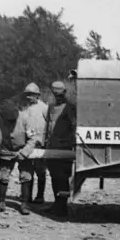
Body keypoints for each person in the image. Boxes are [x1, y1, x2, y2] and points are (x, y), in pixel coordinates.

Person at [0, 100, 39, 215]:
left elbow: (33, 139)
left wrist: (24, 153)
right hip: (6, 150)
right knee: (3, 176)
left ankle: (24, 204)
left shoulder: (26, 118)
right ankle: (1, 203)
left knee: (26, 177)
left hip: (23, 151)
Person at [44, 81, 76, 217]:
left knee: (62, 178)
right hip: (51, 147)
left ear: (64, 94)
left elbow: (74, 127)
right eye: (56, 95)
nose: (58, 97)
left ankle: (62, 207)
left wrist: (72, 143)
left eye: (60, 95)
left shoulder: (70, 108)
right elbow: (48, 126)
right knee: (54, 177)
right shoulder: (51, 107)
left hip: (64, 148)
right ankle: (57, 204)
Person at [21, 83, 48, 204]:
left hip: (40, 144)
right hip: (27, 143)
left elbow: (49, 124)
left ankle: (40, 196)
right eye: (27, 95)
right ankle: (28, 196)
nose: (29, 97)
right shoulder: (25, 108)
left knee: (40, 171)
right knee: (28, 171)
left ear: (37, 95)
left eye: (31, 95)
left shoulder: (44, 108)